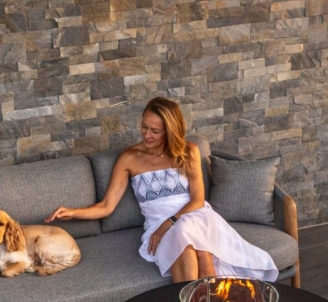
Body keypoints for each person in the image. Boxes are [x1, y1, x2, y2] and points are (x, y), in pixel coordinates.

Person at [45, 97, 278, 283]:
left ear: (170, 131)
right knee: (192, 249)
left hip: (195, 217)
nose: (147, 135)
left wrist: (170, 222)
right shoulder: (129, 158)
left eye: (155, 131)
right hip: (159, 227)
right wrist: (73, 212)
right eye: (144, 127)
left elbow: (197, 200)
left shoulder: (188, 151)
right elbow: (106, 207)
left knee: (196, 245)